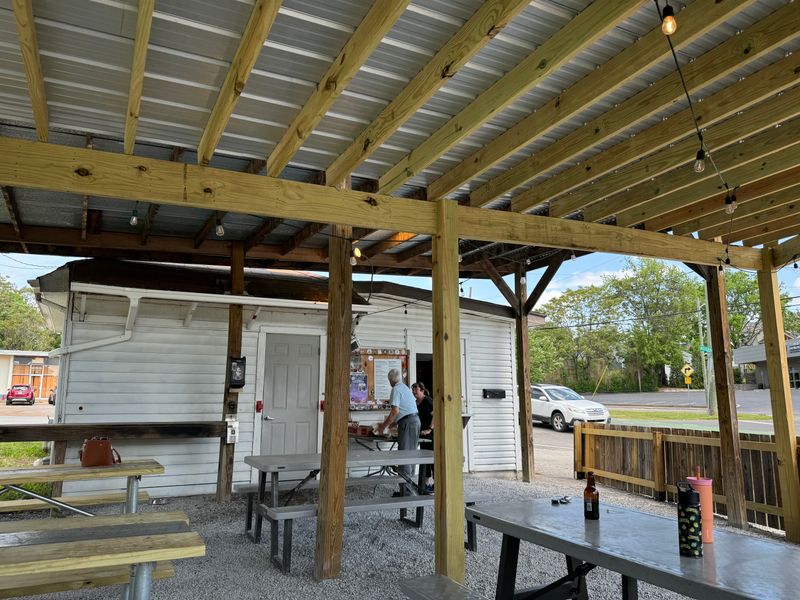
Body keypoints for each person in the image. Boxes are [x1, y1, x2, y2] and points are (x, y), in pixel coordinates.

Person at [377, 368, 420, 496]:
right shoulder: (405, 388)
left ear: (390, 380)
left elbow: (395, 412)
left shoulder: (395, 389)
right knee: (411, 454)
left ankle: (406, 492)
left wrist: (382, 427)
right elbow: (404, 411)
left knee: (404, 456)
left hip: (408, 423)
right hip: (415, 421)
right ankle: (409, 489)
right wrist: (394, 424)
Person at [412, 382, 434, 494]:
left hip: (431, 433)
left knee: (432, 459)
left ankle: (435, 484)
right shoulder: (415, 403)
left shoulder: (428, 401)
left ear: (422, 390)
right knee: (424, 458)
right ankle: (425, 484)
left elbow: (436, 415)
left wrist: (430, 429)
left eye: (416, 390)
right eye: (413, 391)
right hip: (421, 434)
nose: (414, 392)